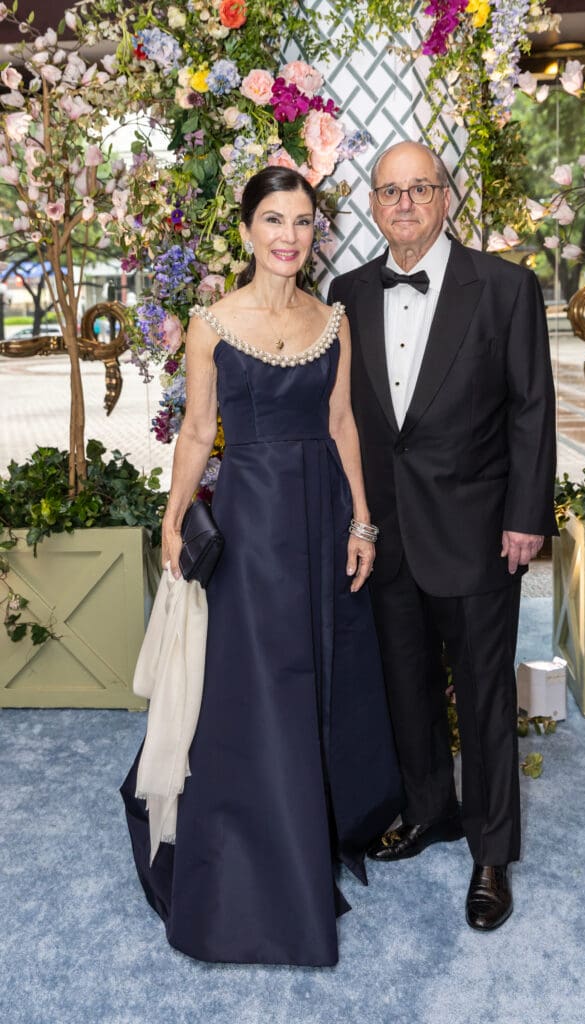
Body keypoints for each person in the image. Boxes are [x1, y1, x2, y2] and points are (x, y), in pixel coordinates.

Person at [121, 166, 403, 967]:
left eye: (302, 221)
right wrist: (173, 516)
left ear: (316, 233)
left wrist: (362, 520)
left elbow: (342, 423)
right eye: (274, 220)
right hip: (250, 529)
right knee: (257, 689)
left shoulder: (331, 319)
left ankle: (315, 829)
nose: (289, 236)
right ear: (247, 230)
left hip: (322, 517)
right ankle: (259, 868)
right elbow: (196, 430)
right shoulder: (211, 322)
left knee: (319, 675)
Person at [327, 141, 557, 931]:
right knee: (406, 685)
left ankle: (491, 852)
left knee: (485, 697)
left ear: (445, 197)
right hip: (385, 532)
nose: (403, 204)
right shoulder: (347, 292)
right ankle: (431, 811)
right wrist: (353, 518)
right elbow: (347, 420)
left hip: (477, 530)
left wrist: (526, 515)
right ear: (372, 204)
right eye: (389, 191)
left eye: (418, 188)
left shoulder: (504, 286)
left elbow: (531, 408)